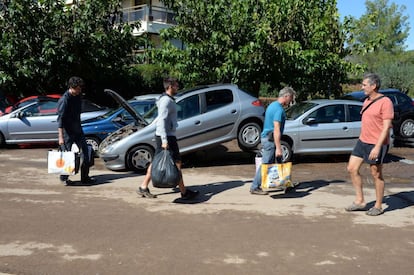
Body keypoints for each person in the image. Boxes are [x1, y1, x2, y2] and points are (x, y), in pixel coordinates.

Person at [137, 77, 199, 200]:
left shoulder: (166, 99)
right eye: (176, 85)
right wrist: (165, 141)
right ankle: (184, 192)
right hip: (166, 137)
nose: (178, 87)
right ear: (170, 86)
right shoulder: (166, 101)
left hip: (165, 135)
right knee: (176, 163)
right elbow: (162, 120)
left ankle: (143, 186)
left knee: (157, 162)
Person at [345, 73, 394, 216]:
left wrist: (377, 147)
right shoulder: (366, 101)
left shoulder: (386, 102)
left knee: (376, 174)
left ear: (374, 86)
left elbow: (386, 127)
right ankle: (360, 201)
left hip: (376, 143)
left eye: (364, 85)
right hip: (363, 141)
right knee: (351, 168)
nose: (362, 87)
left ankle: (378, 206)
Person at [250, 87, 296, 195]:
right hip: (270, 140)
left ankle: (285, 184)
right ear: (286, 96)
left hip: (268, 138)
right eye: (291, 98)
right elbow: (276, 128)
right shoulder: (279, 110)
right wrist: (279, 147)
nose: (291, 101)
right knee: (266, 164)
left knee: (278, 162)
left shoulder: (272, 105)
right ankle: (254, 187)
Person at [57, 76, 96, 185]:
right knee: (67, 156)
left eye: (80, 88)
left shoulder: (78, 97)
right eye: (78, 88)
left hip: (78, 131)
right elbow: (60, 119)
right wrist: (60, 137)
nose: (80, 90)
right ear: (72, 87)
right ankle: (64, 178)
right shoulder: (64, 100)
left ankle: (85, 177)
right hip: (67, 133)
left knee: (86, 153)